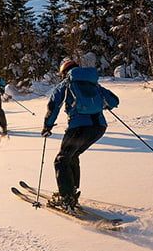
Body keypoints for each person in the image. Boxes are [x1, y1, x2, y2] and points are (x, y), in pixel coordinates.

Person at [42, 59, 119, 211]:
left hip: (79, 127)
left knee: (61, 160)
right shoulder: (94, 84)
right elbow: (114, 101)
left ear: (65, 72)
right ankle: (71, 190)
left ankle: (66, 198)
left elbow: (53, 105)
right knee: (71, 156)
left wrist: (47, 126)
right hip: (99, 127)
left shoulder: (66, 84)